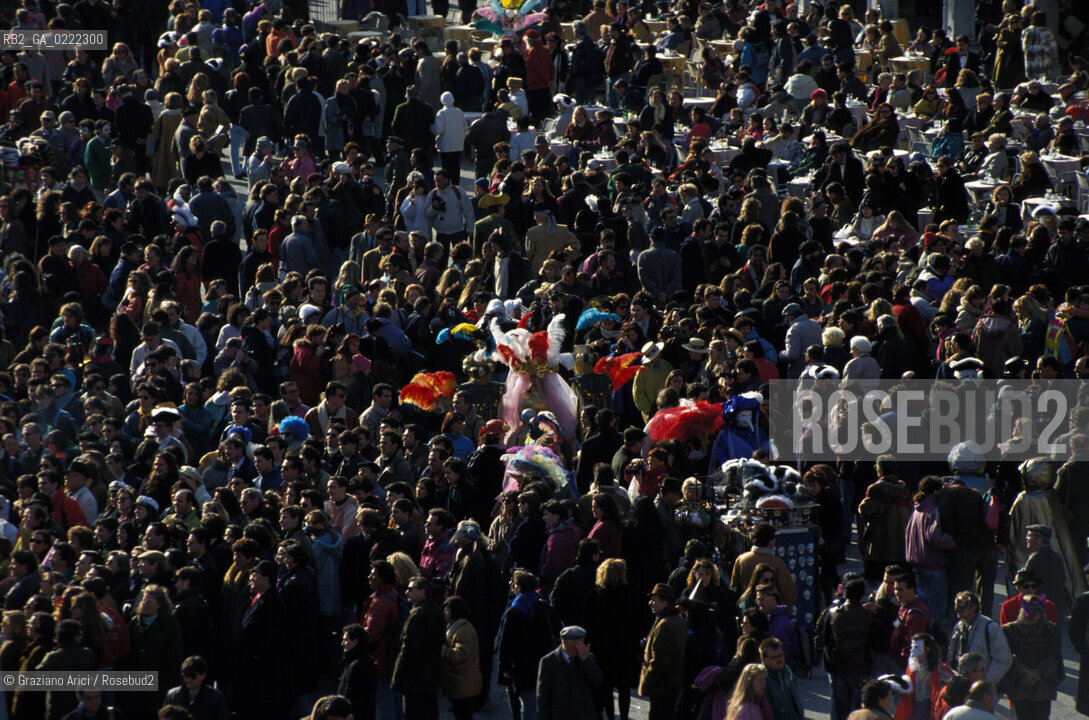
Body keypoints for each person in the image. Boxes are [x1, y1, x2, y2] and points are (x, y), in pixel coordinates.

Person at [392, 576, 445, 720]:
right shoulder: (436, 611)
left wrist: (397, 678)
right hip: (431, 678)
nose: (407, 592)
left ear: (423, 592)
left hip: (415, 679)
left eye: (411, 589)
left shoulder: (418, 615)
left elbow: (408, 649)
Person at [639, 583, 687, 720]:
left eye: (654, 600)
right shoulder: (673, 620)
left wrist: (647, 678)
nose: (650, 603)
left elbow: (660, 659)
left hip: (662, 686)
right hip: (668, 685)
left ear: (665, 602)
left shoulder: (666, 624)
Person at [536, 625, 603, 720]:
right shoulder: (548, 662)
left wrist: (586, 661)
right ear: (565, 643)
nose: (581, 647)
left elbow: (597, 680)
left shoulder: (587, 657)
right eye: (577, 644)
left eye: (582, 642)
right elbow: (542, 697)